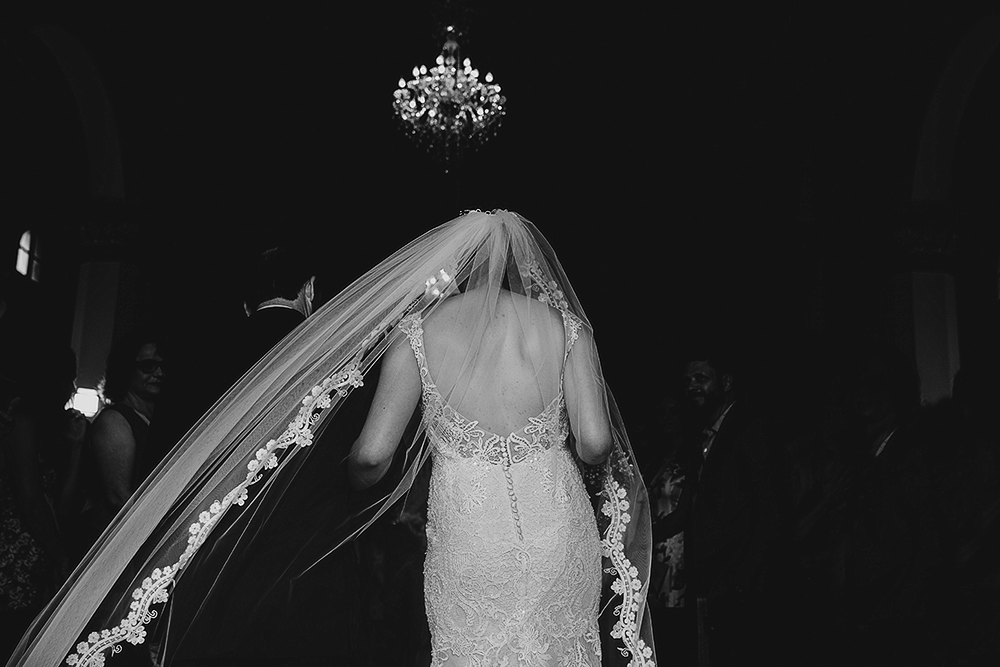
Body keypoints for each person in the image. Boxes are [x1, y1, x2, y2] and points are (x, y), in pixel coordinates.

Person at [6, 210, 655, 667]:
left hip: (471, 527)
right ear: (523, 264)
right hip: (554, 522)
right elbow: (596, 444)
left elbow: (372, 455)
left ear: (449, 266)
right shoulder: (568, 329)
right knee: (563, 647)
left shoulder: (419, 335)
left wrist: (365, 479)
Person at [654, 347, 782, 666]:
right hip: (711, 584)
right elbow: (691, 510)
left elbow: (770, 513)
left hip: (741, 586)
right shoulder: (704, 434)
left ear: (725, 382)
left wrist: (742, 582)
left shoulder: (751, 429)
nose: (692, 386)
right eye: (687, 380)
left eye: (701, 378)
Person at [81, 330, 166, 549]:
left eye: (162, 365)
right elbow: (119, 497)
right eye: (148, 366)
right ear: (127, 369)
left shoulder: (154, 419)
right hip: (118, 542)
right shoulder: (114, 421)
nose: (158, 372)